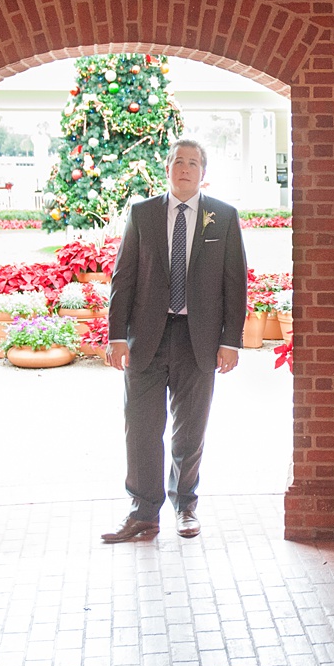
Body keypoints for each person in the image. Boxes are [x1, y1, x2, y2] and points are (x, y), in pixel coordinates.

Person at [101, 140, 247, 543]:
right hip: (147, 337)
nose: (185, 168)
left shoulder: (224, 216)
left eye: (193, 162)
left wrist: (230, 341)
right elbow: (123, 278)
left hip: (198, 341)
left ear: (204, 172)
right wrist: (116, 336)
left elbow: (235, 284)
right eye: (178, 161)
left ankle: (186, 506)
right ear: (167, 169)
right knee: (142, 428)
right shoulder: (142, 214)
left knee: (189, 431)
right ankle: (143, 513)